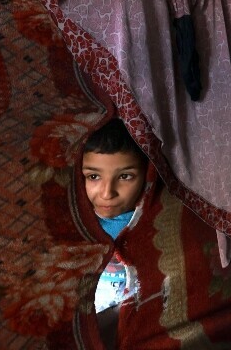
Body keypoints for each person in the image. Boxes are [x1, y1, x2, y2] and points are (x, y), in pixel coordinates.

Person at [82, 118, 148, 348]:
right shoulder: (76, 219)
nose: (107, 193)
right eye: (94, 176)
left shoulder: (151, 216)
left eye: (125, 176)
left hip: (132, 308)